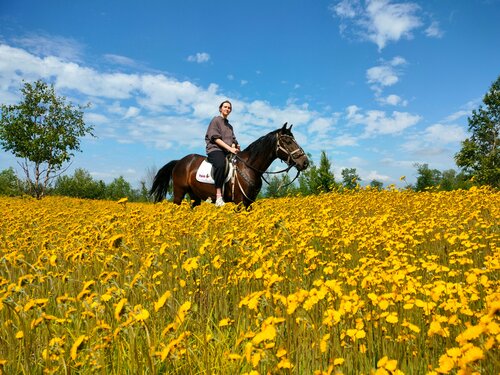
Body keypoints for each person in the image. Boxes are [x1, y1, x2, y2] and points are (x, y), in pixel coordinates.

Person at [205, 100, 240, 206]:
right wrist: (229, 148)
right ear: (220, 108)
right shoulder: (215, 120)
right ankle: (218, 196)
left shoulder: (230, 126)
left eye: (229, 108)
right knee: (220, 164)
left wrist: (235, 146)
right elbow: (215, 138)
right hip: (215, 149)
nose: (227, 109)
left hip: (227, 150)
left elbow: (233, 140)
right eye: (225, 107)